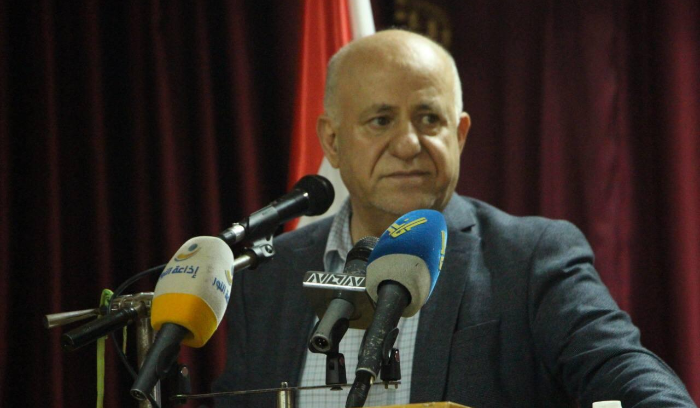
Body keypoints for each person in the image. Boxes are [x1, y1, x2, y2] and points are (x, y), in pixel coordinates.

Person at [213, 30, 696, 408]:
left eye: (429, 119)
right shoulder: (268, 277)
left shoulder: (530, 258)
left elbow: (624, 372)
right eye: (381, 120)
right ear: (333, 141)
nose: (409, 145)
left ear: (459, 134)